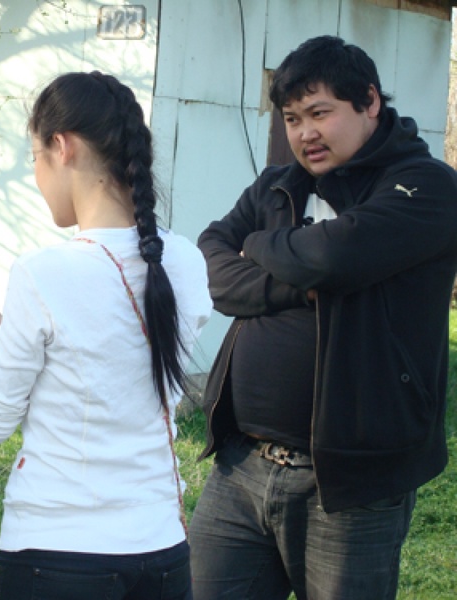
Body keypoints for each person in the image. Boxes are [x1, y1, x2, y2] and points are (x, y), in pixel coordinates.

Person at [0, 71, 211, 600]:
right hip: (162, 552)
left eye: (35, 157)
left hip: (58, 555)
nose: (35, 175)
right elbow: (115, 365)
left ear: (62, 147)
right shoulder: (187, 262)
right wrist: (14, 334)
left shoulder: (45, 273)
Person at [189, 35, 457, 600]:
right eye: (291, 119)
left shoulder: (425, 186)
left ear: (369, 101)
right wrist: (303, 286)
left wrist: (257, 244)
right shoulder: (277, 185)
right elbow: (210, 263)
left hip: (351, 483)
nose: (304, 133)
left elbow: (333, 257)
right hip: (241, 465)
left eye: (319, 113)